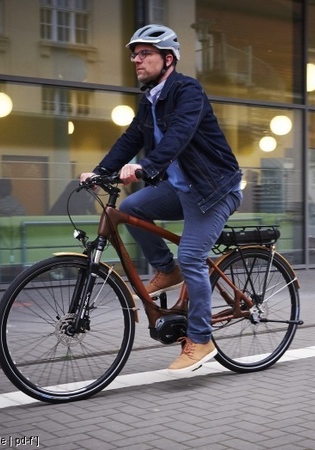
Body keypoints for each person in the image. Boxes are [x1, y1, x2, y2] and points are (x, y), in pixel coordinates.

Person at [79, 24, 243, 375]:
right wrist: (99, 170)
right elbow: (130, 138)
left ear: (168, 59)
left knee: (193, 256)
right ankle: (167, 270)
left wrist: (145, 167)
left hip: (213, 189)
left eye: (145, 54)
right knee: (130, 208)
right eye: (134, 55)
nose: (136, 60)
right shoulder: (149, 101)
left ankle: (201, 339)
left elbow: (180, 134)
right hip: (180, 188)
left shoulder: (188, 91)